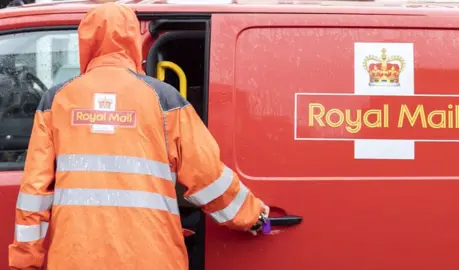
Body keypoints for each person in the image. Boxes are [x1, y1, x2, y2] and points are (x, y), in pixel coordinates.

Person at [8, 3, 269, 270]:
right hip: (151, 257)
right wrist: (252, 215)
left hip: (76, 258)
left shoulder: (56, 100)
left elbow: (35, 191)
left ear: (86, 39)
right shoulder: (165, 99)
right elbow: (207, 175)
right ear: (132, 38)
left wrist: (26, 259)